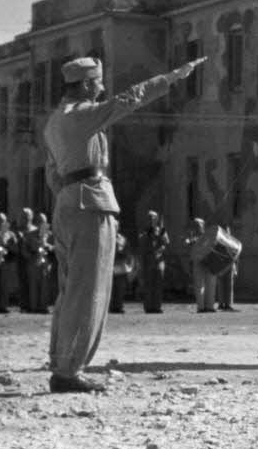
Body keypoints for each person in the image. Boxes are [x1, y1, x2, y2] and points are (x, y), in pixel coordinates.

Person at [43, 55, 202, 392]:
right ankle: (70, 370)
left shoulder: (55, 121)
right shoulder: (83, 115)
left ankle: (61, 361)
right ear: (86, 84)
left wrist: (69, 198)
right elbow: (130, 98)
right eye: (98, 82)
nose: (102, 88)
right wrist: (172, 77)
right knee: (89, 291)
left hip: (68, 205)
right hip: (91, 204)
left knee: (70, 290)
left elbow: (52, 174)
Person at [138, 211, 170, 313]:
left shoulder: (161, 230)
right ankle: (148, 306)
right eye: (149, 218)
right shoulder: (144, 230)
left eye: (153, 218)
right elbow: (141, 241)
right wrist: (149, 234)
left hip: (159, 260)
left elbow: (166, 242)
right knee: (148, 284)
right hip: (148, 259)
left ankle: (157, 306)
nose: (151, 220)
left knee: (158, 283)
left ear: (156, 219)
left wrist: (161, 234)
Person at [185, 218, 217, 313]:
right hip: (198, 261)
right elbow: (188, 247)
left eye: (199, 225)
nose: (197, 227)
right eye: (195, 225)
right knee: (199, 285)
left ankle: (210, 306)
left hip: (209, 261)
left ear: (203, 226)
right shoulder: (192, 237)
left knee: (211, 283)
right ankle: (201, 307)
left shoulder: (208, 235)